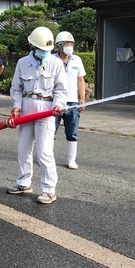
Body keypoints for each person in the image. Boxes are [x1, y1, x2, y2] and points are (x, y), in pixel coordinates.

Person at [7, 26, 68, 204]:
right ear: (33, 47)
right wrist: (17, 106)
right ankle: (23, 182)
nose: (44, 53)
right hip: (26, 108)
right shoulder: (22, 63)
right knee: (23, 149)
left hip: (46, 109)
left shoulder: (56, 63)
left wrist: (58, 105)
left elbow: (61, 89)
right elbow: (16, 88)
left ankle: (49, 189)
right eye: (41, 50)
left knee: (44, 152)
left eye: (47, 50)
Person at [53, 31, 86, 170]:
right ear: (59, 45)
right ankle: (48, 157)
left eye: (71, 44)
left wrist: (82, 98)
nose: (70, 46)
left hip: (72, 102)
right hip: (55, 101)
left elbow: (80, 79)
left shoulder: (76, 60)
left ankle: (71, 160)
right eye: (67, 44)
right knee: (50, 131)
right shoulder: (52, 60)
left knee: (72, 132)